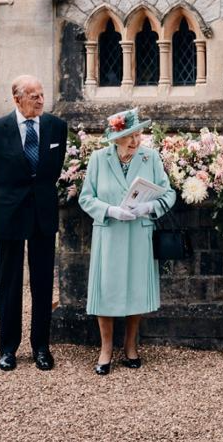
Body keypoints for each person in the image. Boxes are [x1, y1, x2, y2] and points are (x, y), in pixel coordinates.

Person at [0, 75, 68, 371]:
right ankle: (7, 348)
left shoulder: (57, 127)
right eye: (34, 96)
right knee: (9, 283)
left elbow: (53, 171)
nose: (41, 100)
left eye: (42, 95)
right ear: (17, 99)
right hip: (9, 212)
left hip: (43, 213)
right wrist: (10, 197)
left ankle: (41, 346)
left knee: (43, 283)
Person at [78, 108, 176, 375]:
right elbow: (86, 198)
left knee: (135, 288)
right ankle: (106, 348)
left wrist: (148, 208)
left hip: (138, 232)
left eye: (138, 134)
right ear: (115, 138)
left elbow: (168, 195)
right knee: (106, 290)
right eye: (129, 136)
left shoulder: (150, 157)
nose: (135, 141)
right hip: (109, 232)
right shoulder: (98, 159)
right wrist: (110, 211)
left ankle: (130, 345)